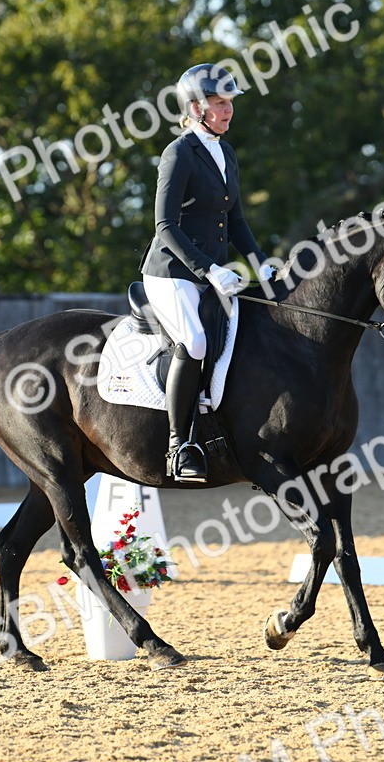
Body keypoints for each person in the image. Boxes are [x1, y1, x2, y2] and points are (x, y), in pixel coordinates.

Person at [139, 63, 275, 482]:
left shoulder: (225, 152)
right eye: (219, 103)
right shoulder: (178, 153)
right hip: (171, 272)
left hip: (211, 273)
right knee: (195, 341)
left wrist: (259, 260)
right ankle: (178, 446)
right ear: (196, 107)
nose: (228, 110)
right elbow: (165, 225)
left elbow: (235, 221)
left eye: (230, 102)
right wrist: (210, 270)